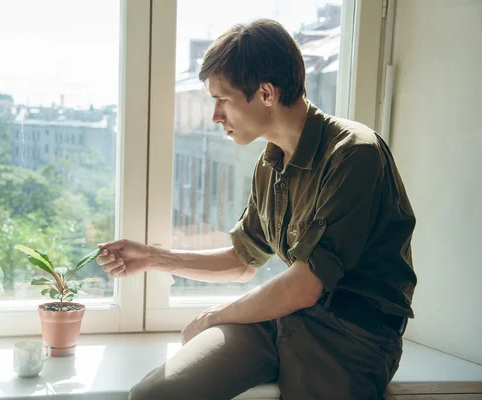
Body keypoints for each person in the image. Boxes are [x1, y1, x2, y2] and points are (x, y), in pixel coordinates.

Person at [97, 18, 417, 400]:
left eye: (223, 99)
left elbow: (304, 286)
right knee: (153, 395)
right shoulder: (271, 163)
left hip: (350, 337)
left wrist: (215, 317)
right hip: (280, 318)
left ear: (266, 93)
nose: (215, 115)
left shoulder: (355, 154)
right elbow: (242, 260)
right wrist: (151, 258)